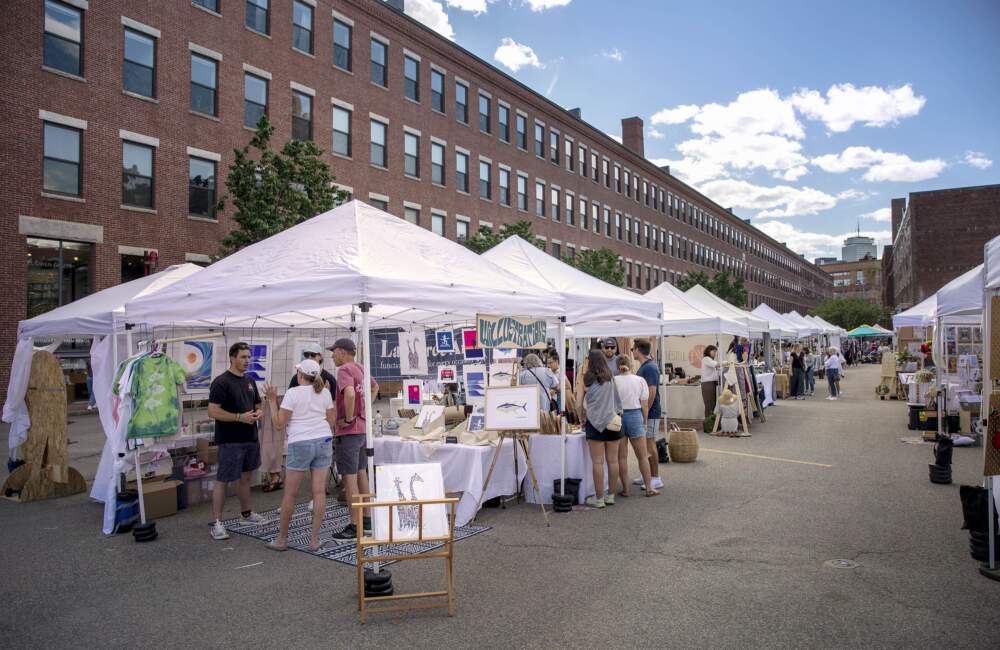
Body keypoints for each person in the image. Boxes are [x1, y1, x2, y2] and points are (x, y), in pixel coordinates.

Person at [263, 359, 336, 552]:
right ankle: (314, 540)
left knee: (290, 493)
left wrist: (272, 401)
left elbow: (279, 424)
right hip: (323, 440)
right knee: (319, 492)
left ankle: (282, 539)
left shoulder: (292, 393)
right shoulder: (325, 392)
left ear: (300, 375)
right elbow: (332, 421)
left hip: (300, 441)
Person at [207, 342, 270, 540]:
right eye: (243, 357)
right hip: (230, 439)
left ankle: (246, 514)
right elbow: (212, 410)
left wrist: (259, 411)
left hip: (250, 438)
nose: (247, 361)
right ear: (232, 358)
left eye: (248, 357)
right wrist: (238, 417)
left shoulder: (249, 381)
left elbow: (258, 403)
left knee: (246, 478)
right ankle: (217, 522)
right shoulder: (221, 382)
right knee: (223, 479)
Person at [329, 338, 379, 540]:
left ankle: (354, 524)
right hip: (362, 429)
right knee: (361, 473)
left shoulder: (344, 370)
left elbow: (349, 394)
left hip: (349, 431)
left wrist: (349, 418)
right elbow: (375, 387)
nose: (332, 355)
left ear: (342, 352)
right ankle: (367, 518)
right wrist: (364, 409)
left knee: (349, 478)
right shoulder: (361, 367)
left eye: (334, 352)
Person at [579, 349, 623, 509]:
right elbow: (618, 401)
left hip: (594, 423)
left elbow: (580, 403)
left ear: (590, 362)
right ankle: (610, 495)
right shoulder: (611, 378)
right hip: (612, 422)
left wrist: (582, 417)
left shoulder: (586, 379)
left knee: (597, 462)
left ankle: (599, 499)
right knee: (613, 461)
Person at [614, 356, 658, 497]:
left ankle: (626, 489)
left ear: (617, 366)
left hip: (619, 416)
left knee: (621, 457)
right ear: (631, 365)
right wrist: (644, 421)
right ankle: (649, 488)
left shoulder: (613, 381)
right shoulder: (639, 380)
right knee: (642, 456)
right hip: (635, 415)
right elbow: (644, 404)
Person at [631, 338, 664, 492]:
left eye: (633, 349)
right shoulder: (646, 366)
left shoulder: (649, 368)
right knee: (645, 444)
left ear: (638, 349)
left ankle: (656, 477)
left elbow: (652, 391)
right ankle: (648, 474)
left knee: (650, 443)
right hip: (647, 412)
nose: (632, 351)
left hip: (650, 412)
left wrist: (645, 413)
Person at [701, 345, 720, 418]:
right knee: (709, 405)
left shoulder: (710, 360)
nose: (715, 353)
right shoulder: (706, 359)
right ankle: (708, 423)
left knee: (713, 404)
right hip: (707, 384)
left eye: (716, 352)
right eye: (714, 351)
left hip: (712, 383)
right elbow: (716, 365)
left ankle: (711, 422)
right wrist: (726, 363)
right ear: (709, 351)